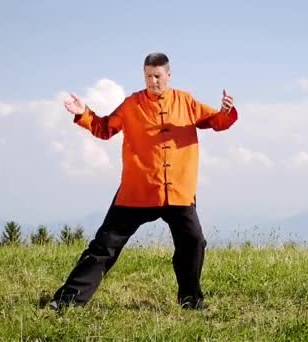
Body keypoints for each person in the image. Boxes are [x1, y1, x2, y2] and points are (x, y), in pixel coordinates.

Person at [49, 52, 238, 311]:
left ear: (168, 76)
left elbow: (216, 121)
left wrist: (226, 112)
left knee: (194, 243)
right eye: (148, 76)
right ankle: (67, 302)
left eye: (158, 76)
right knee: (105, 246)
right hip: (138, 191)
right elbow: (104, 128)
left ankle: (191, 301)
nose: (153, 82)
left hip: (178, 192)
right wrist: (84, 113)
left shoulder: (186, 101)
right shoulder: (131, 105)